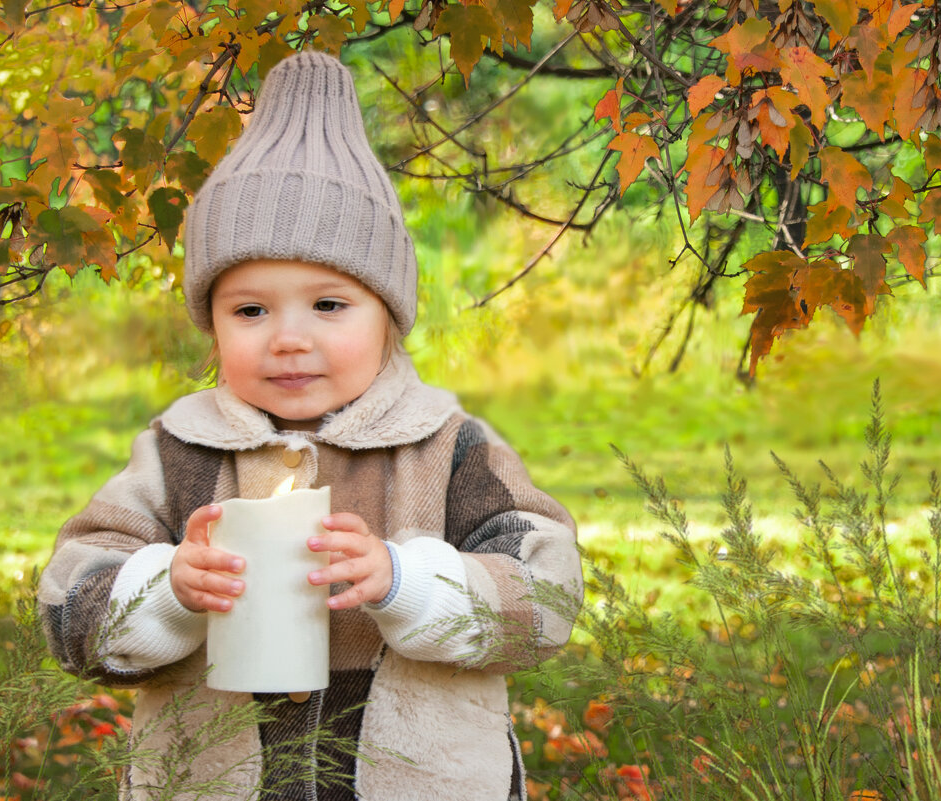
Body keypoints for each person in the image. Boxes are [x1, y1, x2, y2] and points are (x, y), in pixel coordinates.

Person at [39, 49, 583, 801]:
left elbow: (547, 598)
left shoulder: (445, 444)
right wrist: (168, 589)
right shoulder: (179, 451)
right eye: (250, 309)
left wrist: (407, 581)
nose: (288, 337)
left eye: (328, 305)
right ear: (212, 323)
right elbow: (71, 605)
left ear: (388, 318)